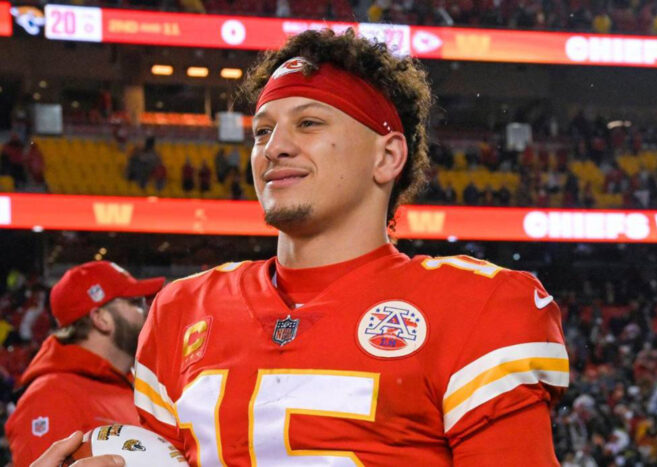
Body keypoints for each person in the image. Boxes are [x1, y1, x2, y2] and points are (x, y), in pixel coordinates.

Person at [60, 29, 567, 465]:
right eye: (262, 131)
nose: (274, 147)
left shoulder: (477, 308)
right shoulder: (181, 310)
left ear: (387, 156)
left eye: (308, 123)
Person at [7, 261, 164, 466]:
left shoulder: (129, 383)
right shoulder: (51, 396)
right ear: (101, 319)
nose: (146, 311)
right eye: (134, 303)